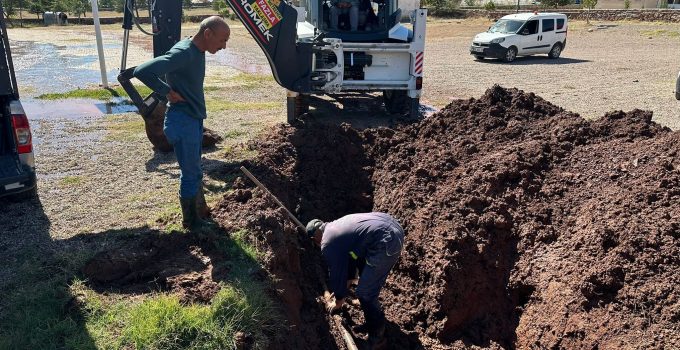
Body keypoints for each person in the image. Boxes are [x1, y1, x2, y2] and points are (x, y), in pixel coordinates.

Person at [133, 16, 230, 231]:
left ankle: (199, 214)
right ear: (207, 34)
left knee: (194, 171)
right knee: (190, 174)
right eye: (222, 40)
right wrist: (166, 91)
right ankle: (191, 223)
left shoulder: (196, 49)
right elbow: (142, 71)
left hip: (192, 119)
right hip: (183, 121)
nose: (224, 46)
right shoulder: (184, 53)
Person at [307, 212, 405, 347]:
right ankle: (372, 323)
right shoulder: (335, 227)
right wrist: (348, 281)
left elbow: (337, 272)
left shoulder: (327, 243)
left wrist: (339, 300)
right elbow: (351, 257)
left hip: (387, 240)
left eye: (314, 241)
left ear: (314, 238)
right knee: (365, 284)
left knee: (365, 292)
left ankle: (378, 336)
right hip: (391, 227)